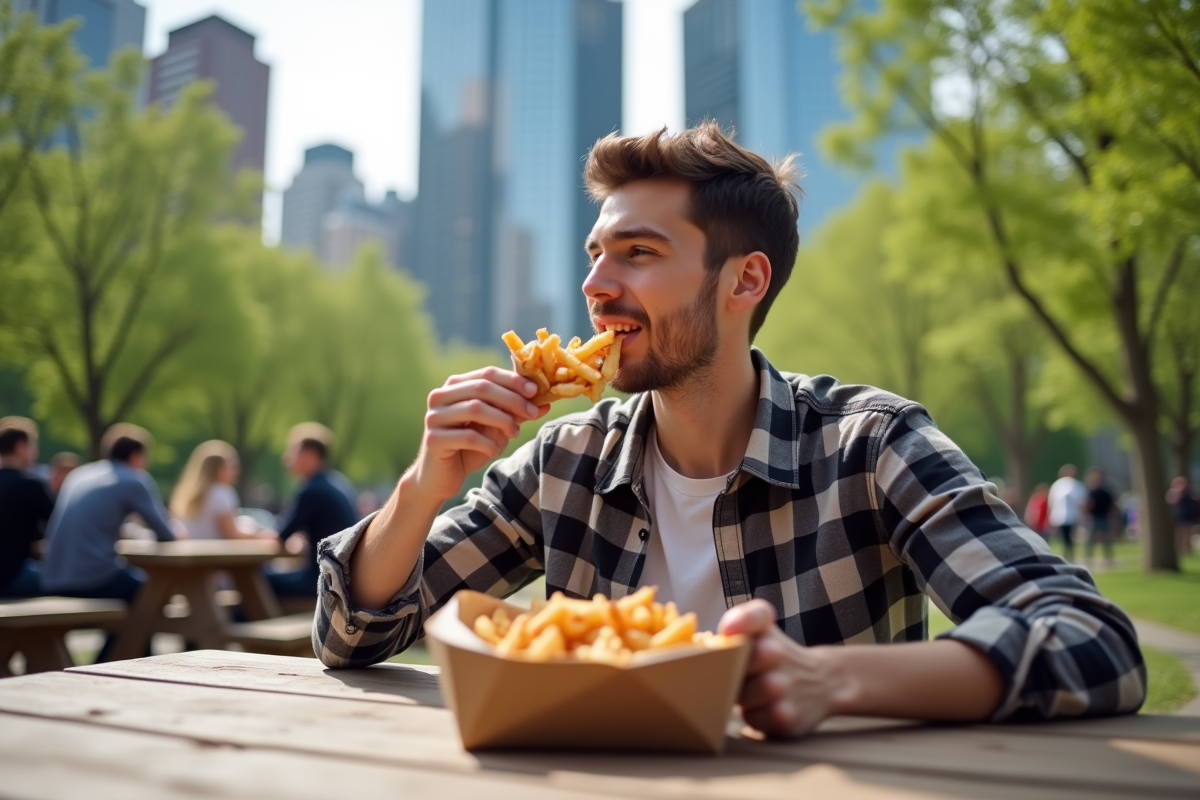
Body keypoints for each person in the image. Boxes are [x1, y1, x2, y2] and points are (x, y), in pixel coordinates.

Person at [314, 124, 1144, 734]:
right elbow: (354, 634)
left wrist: (828, 681)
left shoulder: (870, 445)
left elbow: (1090, 640)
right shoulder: (563, 462)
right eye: (596, 253)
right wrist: (425, 486)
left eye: (638, 253)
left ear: (745, 280)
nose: (596, 285)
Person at [41, 423, 176, 606]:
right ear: (136, 457)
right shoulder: (132, 479)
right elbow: (166, 534)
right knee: (156, 594)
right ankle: (126, 636)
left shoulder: (80, 474)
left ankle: (124, 636)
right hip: (91, 579)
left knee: (137, 590)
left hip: (51, 577)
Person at [265, 423, 357, 598]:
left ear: (311, 455)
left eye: (293, 452)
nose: (287, 459)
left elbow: (278, 538)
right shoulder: (339, 483)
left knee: (257, 579)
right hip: (344, 582)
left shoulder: (312, 490)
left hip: (322, 583)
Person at [169, 440, 272, 540]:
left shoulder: (186, 494)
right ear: (218, 468)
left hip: (190, 553)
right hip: (213, 554)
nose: (236, 471)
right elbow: (232, 534)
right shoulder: (222, 492)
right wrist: (263, 536)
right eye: (232, 466)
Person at [0, 417, 55, 598]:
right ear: (20, 447)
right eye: (33, 446)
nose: (36, 453)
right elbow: (59, 525)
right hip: (12, 577)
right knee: (67, 582)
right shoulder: (30, 486)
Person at [1047, 464, 1088, 561]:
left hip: (1070, 515)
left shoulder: (1072, 485)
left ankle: (1069, 554)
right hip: (1062, 515)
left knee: (1069, 536)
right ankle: (1068, 554)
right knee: (1065, 536)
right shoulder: (1059, 485)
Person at [1083, 469, 1118, 565]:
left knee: (1107, 540)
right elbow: (1086, 505)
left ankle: (1108, 558)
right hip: (1094, 518)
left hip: (1104, 517)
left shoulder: (1106, 492)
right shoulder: (1090, 492)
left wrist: (1113, 518)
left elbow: (1112, 506)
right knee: (1090, 540)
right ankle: (1088, 558)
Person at [1167, 476, 1199, 556]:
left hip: (1188, 515)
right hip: (1179, 516)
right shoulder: (1173, 492)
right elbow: (1171, 502)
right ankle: (1179, 548)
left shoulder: (1189, 492)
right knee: (1179, 532)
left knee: (1188, 532)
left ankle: (1188, 548)